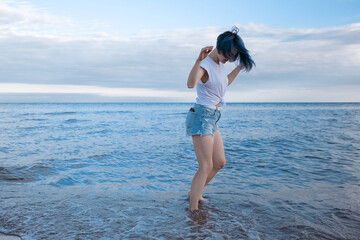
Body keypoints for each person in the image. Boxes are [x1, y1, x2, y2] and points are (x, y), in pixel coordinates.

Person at [186, 27, 255, 211]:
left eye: (234, 56)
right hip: (201, 116)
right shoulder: (205, 64)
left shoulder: (219, 66)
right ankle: (193, 211)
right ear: (221, 46)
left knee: (219, 163)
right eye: (230, 55)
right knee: (206, 165)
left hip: (213, 118)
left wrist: (239, 68)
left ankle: (195, 192)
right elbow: (191, 84)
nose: (231, 59)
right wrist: (198, 60)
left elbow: (224, 83)